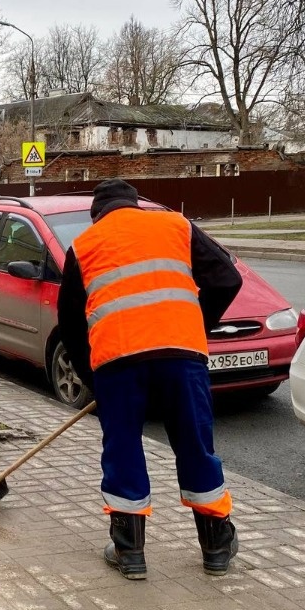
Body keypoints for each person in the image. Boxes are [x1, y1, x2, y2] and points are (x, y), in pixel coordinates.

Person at [56, 178, 243, 581]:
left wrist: (93, 377)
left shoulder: (84, 246)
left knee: (122, 450)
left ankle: (130, 553)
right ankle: (216, 547)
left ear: (96, 215)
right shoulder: (175, 225)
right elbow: (227, 279)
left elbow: (69, 323)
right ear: (136, 205)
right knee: (195, 446)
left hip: (118, 363)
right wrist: (193, 327)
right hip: (181, 358)